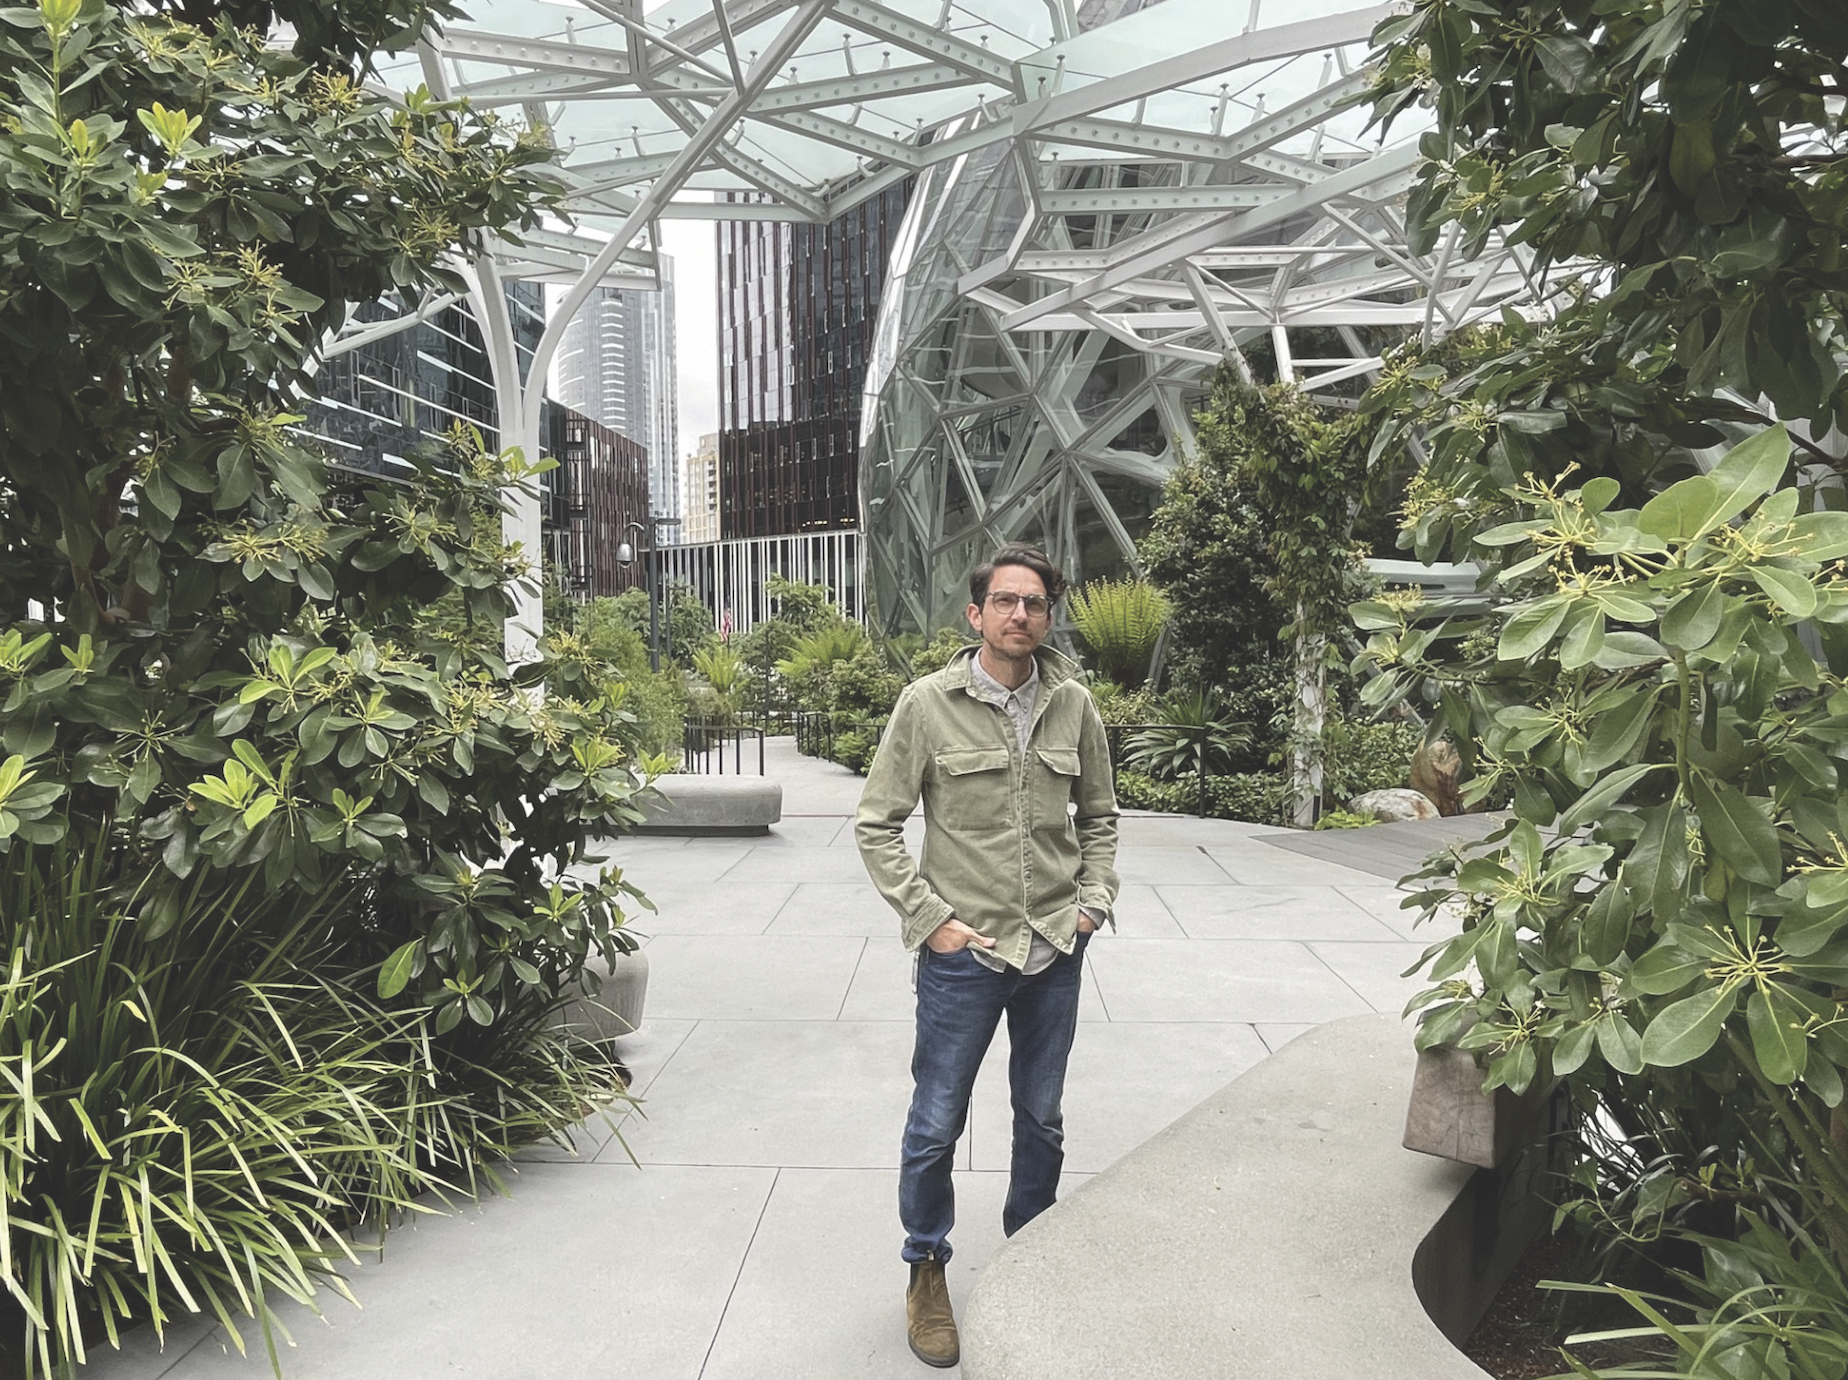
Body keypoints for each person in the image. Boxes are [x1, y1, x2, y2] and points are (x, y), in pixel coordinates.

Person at [856, 542, 1120, 1369]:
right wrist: (928, 918)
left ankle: (1028, 1256)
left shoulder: (1074, 706)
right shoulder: (927, 706)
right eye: (1005, 602)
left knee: (1041, 1120)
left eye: (1034, 603)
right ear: (976, 615)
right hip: (964, 956)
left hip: (1052, 949)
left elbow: (1101, 819)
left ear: (1049, 615)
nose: (1020, 615)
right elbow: (876, 823)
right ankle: (927, 1267)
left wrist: (1092, 904)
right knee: (936, 1124)